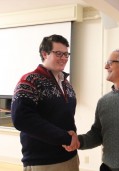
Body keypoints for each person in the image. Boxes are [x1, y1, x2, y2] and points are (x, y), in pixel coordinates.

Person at [11, 34, 80, 171]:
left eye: (66, 54)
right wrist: (65, 138)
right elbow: (21, 118)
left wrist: (72, 141)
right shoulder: (30, 80)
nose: (64, 58)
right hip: (43, 162)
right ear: (45, 54)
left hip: (70, 156)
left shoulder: (66, 84)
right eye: (59, 54)